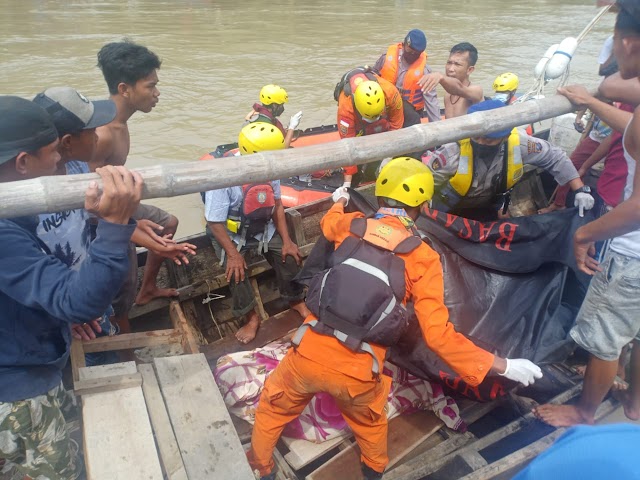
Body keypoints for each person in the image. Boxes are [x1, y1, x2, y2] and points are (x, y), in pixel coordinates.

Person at [247, 157, 542, 480]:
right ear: (425, 204)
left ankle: (263, 470)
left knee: (272, 410)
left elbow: (328, 224)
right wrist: (504, 365)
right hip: (358, 372)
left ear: (379, 195)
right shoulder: (423, 257)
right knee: (370, 427)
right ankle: (372, 473)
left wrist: (340, 201)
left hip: (306, 352)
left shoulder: (351, 225)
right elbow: (438, 336)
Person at [0, 95, 142, 479]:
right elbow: (73, 301)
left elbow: (33, 284)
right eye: (51, 153)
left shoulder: (16, 210)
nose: (60, 161)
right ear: (23, 163)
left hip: (38, 355)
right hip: (17, 388)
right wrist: (114, 226)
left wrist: (60, 310)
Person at [533, 0, 640, 428]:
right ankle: (633, 403)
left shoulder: (622, 74)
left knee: (606, 338)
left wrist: (583, 234)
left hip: (632, 255)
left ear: (628, 44)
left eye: (615, 41)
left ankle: (583, 411)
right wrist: (591, 103)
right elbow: (630, 126)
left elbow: (637, 210)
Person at [32, 87, 194, 354]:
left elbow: (92, 219)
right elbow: (31, 271)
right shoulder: (30, 199)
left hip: (89, 282)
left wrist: (141, 232)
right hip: (61, 302)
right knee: (94, 359)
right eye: (92, 131)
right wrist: (62, 313)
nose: (99, 135)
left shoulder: (76, 169)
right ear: (69, 142)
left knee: (107, 331)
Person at [95, 40, 186, 332]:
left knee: (167, 222)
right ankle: (126, 352)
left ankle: (147, 289)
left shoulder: (121, 123)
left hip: (121, 203)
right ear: (125, 89)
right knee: (122, 291)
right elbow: (89, 199)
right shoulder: (104, 134)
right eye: (150, 86)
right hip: (103, 215)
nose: (156, 93)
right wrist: (133, 231)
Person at [203, 122, 310, 344]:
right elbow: (214, 221)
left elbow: (278, 205)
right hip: (232, 235)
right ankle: (251, 317)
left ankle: (295, 299)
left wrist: (288, 241)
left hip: (263, 230)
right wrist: (233, 254)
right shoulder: (223, 177)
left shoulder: (269, 169)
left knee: (289, 257)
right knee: (236, 271)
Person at [422, 99, 595, 221]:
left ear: (505, 136)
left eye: (489, 140)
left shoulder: (519, 145)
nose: (482, 143)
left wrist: (581, 190)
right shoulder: (451, 153)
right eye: (478, 138)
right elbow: (425, 183)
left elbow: (555, 157)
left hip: (489, 207)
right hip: (448, 212)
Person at [336, 68, 404, 186]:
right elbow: (348, 145)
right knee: (356, 171)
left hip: (384, 116)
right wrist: (346, 185)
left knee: (412, 119)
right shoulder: (345, 109)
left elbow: (396, 126)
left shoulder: (390, 93)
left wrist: (389, 156)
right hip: (360, 125)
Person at [373, 28, 441, 125]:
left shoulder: (425, 72)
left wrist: (437, 127)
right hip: (384, 108)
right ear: (403, 45)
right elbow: (372, 77)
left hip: (408, 115)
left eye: (416, 54)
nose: (412, 55)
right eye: (410, 51)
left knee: (412, 116)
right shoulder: (386, 58)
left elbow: (432, 103)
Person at [417, 42, 484, 118]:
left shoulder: (476, 91)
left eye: (457, 64)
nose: (450, 69)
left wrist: (441, 77)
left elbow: (459, 88)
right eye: (449, 63)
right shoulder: (448, 95)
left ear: (469, 70)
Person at [244, 84, 302, 148]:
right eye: (281, 105)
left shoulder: (256, 115)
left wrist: (288, 127)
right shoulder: (267, 124)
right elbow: (283, 147)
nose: (282, 108)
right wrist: (291, 127)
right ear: (274, 105)